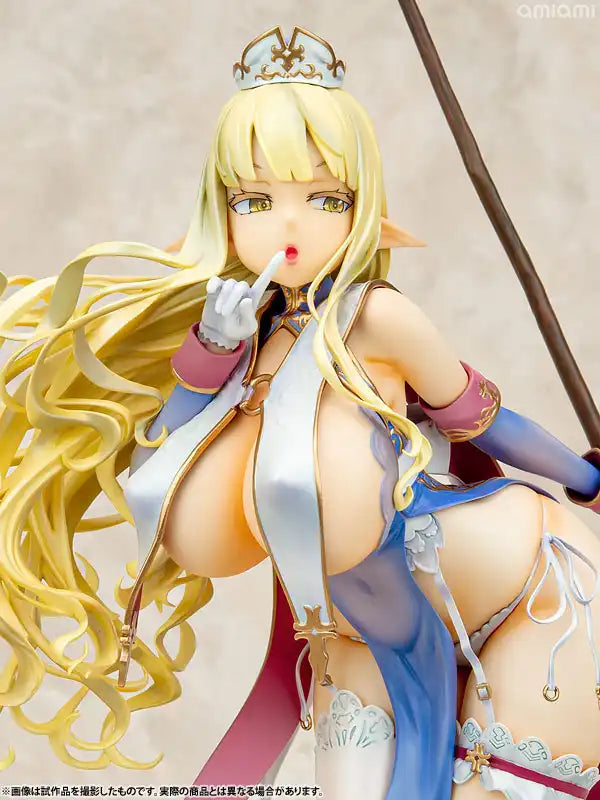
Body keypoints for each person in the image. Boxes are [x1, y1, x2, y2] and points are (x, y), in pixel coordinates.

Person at [0, 24, 599, 800]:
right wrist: (211, 348)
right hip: (350, 625)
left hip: (526, 592)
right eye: (255, 200)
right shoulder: (246, 333)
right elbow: (162, 468)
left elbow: (482, 420)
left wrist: (587, 480)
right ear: (222, 212)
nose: (289, 226)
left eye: (325, 199)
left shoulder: (376, 317)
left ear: (362, 206)